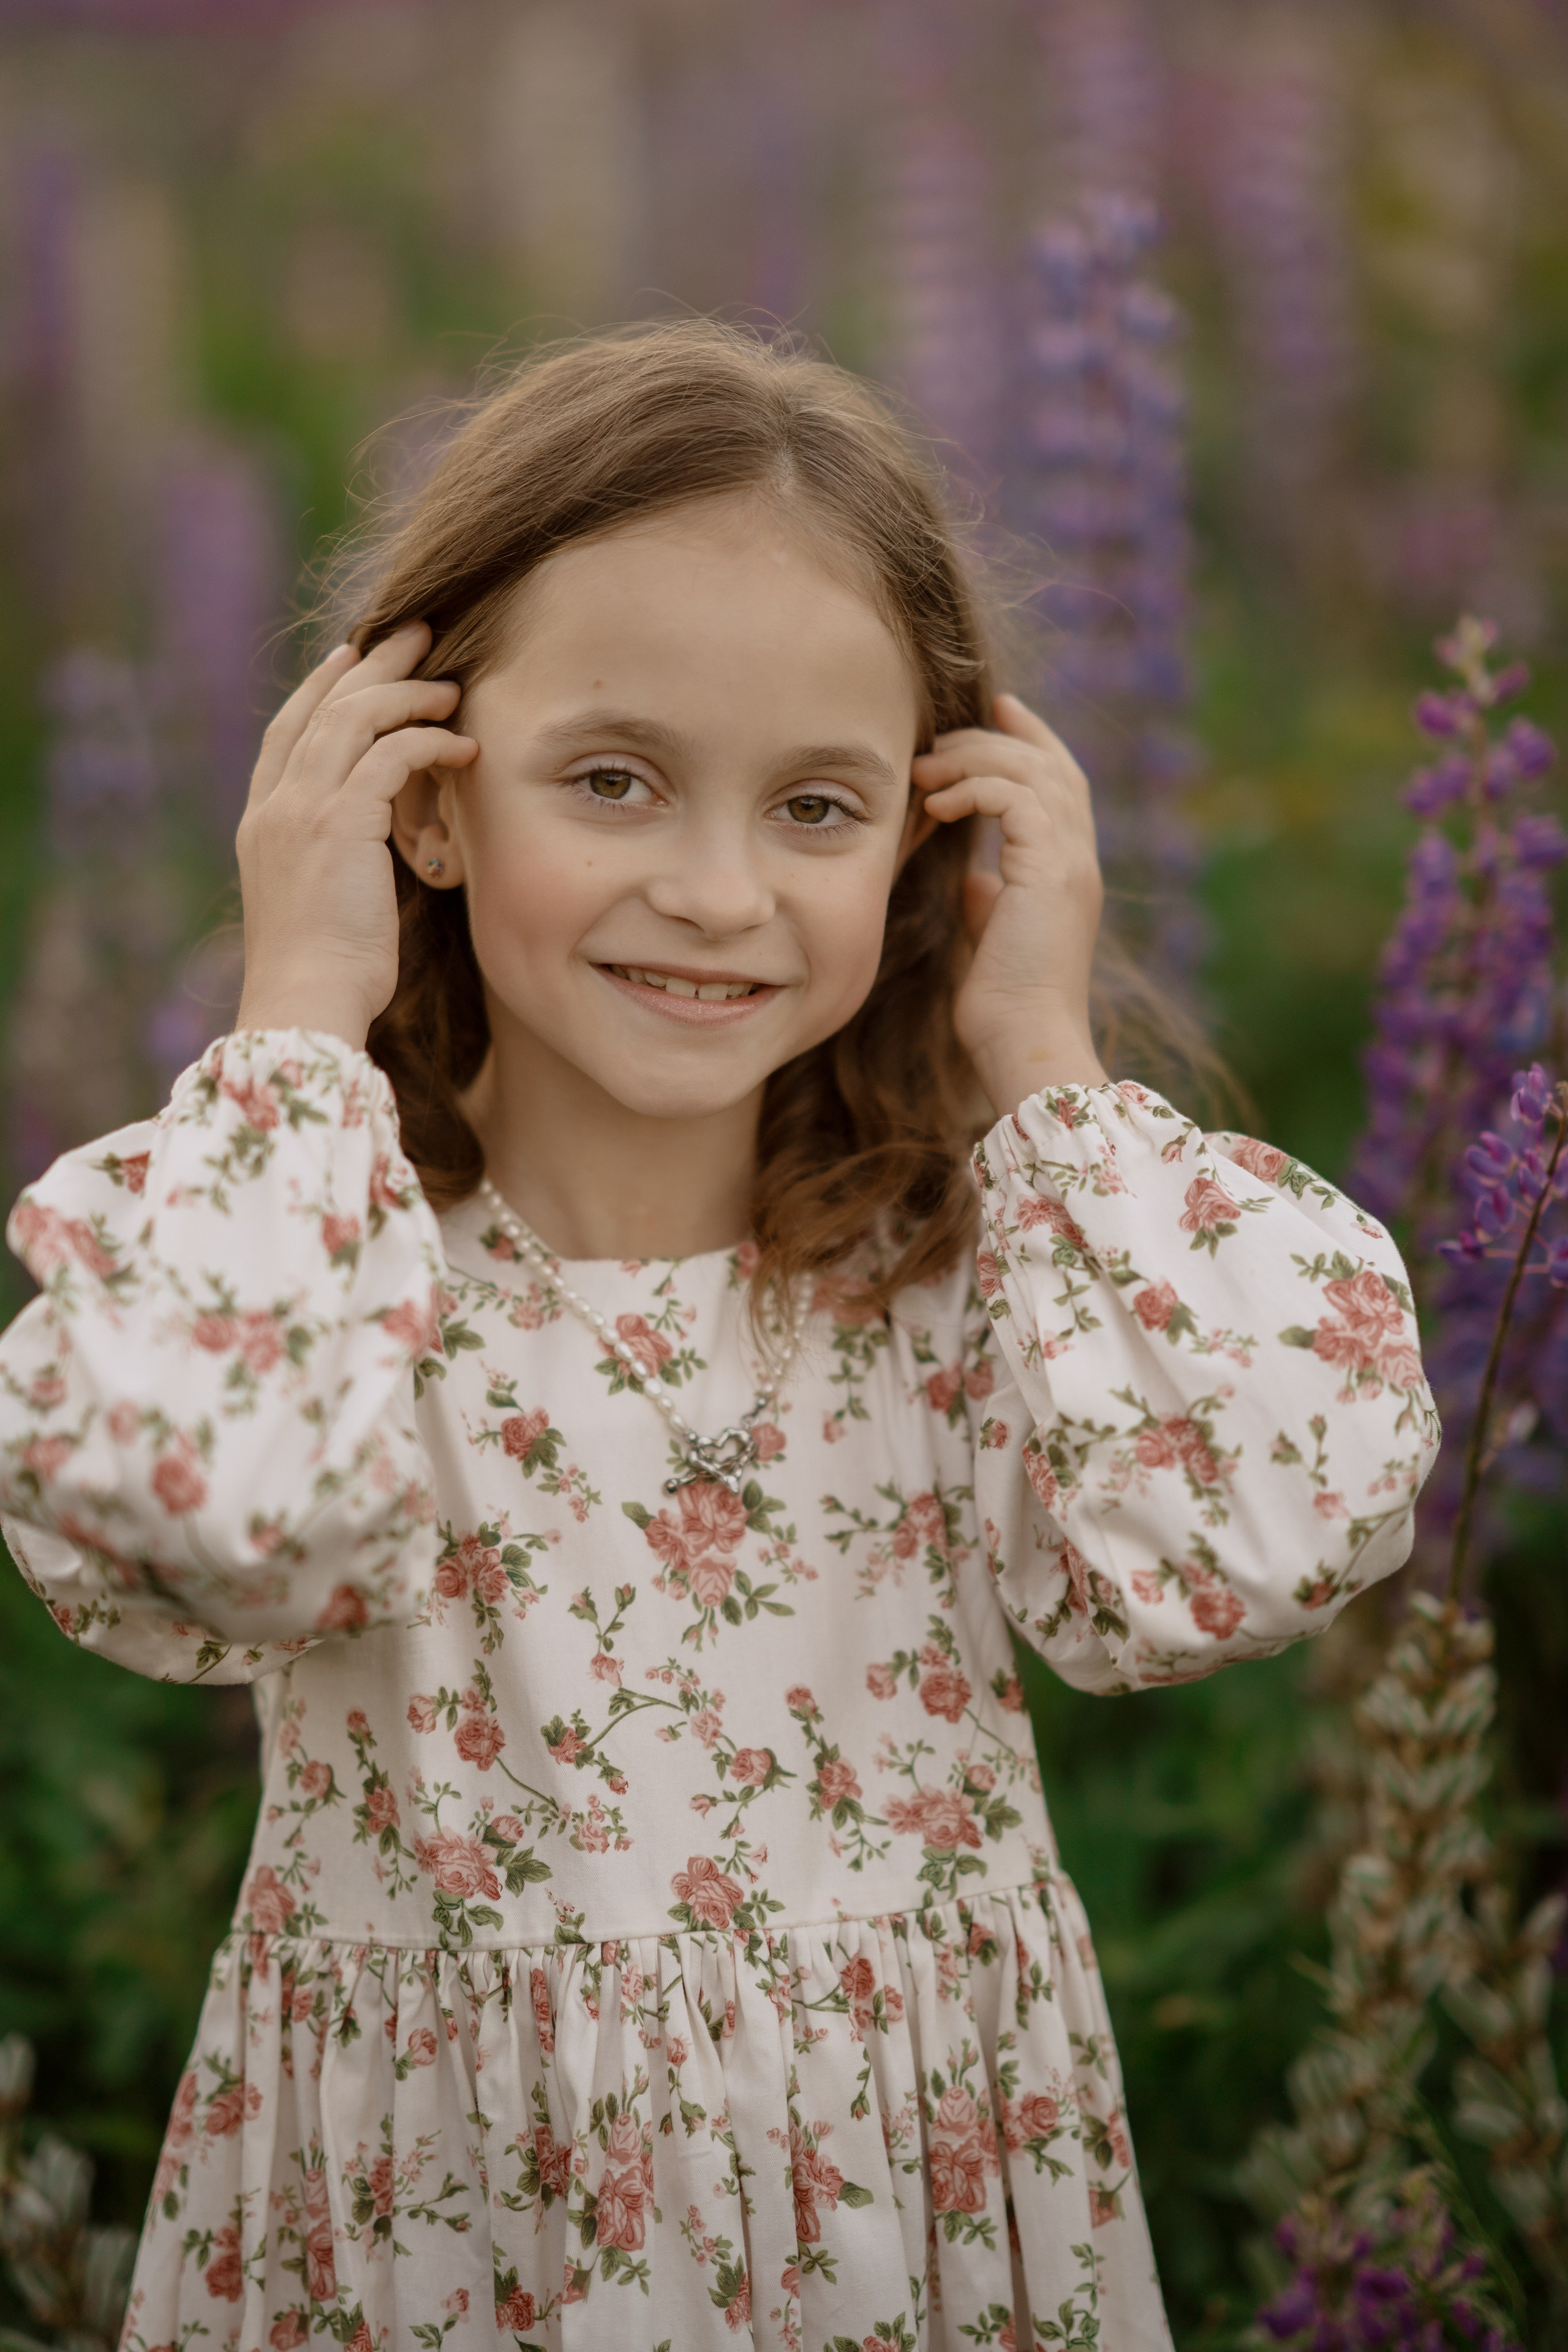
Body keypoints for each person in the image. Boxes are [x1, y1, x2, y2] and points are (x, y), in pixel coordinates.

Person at [0, 321, 1437, 2352]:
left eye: (820, 809)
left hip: (905, 2228)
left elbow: (1243, 1545)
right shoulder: (333, 1276)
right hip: (445, 2237)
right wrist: (297, 1012)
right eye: (613, 780)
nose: (716, 889)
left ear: (934, 840)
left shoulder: (971, 1272)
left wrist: (1037, 1046)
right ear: (416, 801)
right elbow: (196, 1523)